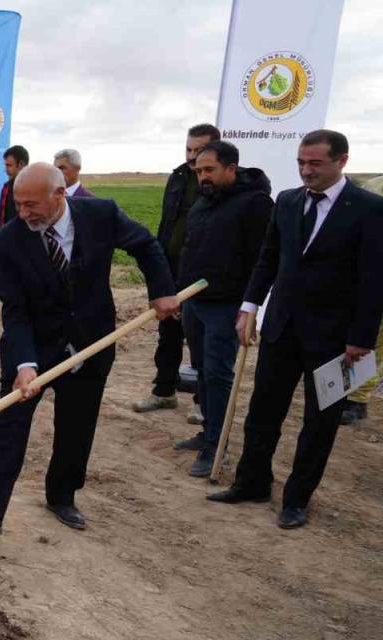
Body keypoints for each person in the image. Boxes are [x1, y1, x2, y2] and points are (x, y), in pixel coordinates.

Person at [0, 163, 177, 536]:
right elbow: (14, 310)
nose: (23, 213)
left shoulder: (101, 214)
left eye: (31, 205)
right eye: (19, 204)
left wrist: (161, 290)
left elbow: (145, 244)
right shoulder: (11, 240)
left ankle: (62, 496)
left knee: (77, 424)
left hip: (92, 339)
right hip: (34, 343)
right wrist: (24, 364)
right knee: (10, 424)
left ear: (59, 195)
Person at [208, 130, 383, 529]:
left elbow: (375, 279)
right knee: (263, 411)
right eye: (301, 163)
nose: (306, 171)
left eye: (315, 164)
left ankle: (297, 499)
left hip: (337, 340)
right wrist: (249, 306)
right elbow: (268, 258)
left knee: (320, 423)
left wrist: (362, 338)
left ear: (342, 161)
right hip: (281, 328)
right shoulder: (287, 201)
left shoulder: (371, 209)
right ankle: (252, 483)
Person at [175, 141, 272, 476]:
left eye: (209, 170)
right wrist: (180, 294)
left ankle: (218, 446)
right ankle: (207, 433)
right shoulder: (205, 200)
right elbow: (191, 248)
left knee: (218, 375)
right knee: (202, 371)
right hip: (195, 302)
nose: (203, 176)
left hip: (226, 306)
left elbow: (264, 260)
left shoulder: (255, 204)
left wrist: (249, 307)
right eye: (199, 170)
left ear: (231, 168)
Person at [134, 124, 219, 423]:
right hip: (170, 269)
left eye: (199, 150)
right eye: (188, 149)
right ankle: (164, 390)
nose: (192, 157)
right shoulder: (178, 177)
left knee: (200, 342)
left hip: (199, 276)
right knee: (167, 335)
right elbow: (166, 224)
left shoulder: (218, 182)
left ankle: (202, 401)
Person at [341, 175, 383, 426]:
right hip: (365, 274)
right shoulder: (375, 186)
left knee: (373, 343)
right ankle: (347, 395)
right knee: (362, 337)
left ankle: (356, 401)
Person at [0, 145, 28, 266]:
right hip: (8, 247)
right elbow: (1, 220)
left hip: (28, 247)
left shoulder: (35, 187)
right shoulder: (6, 187)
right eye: (5, 165)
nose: (6, 169)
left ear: (21, 164)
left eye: (9, 165)